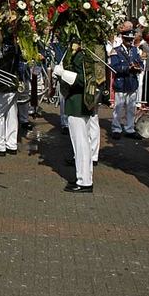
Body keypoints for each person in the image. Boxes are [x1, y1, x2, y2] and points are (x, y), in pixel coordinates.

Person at [53, 41, 97, 193]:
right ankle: (83, 177)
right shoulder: (77, 53)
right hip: (76, 103)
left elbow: (82, 80)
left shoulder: (81, 55)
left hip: (78, 103)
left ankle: (84, 181)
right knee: (81, 143)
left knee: (81, 144)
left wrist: (63, 73)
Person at [110, 24, 143, 140]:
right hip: (121, 82)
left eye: (131, 40)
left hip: (132, 82)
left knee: (131, 107)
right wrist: (127, 68)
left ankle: (130, 128)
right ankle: (116, 128)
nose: (130, 42)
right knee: (118, 107)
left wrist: (139, 67)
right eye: (128, 40)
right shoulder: (116, 51)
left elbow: (140, 62)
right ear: (123, 39)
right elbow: (114, 67)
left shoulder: (134, 50)